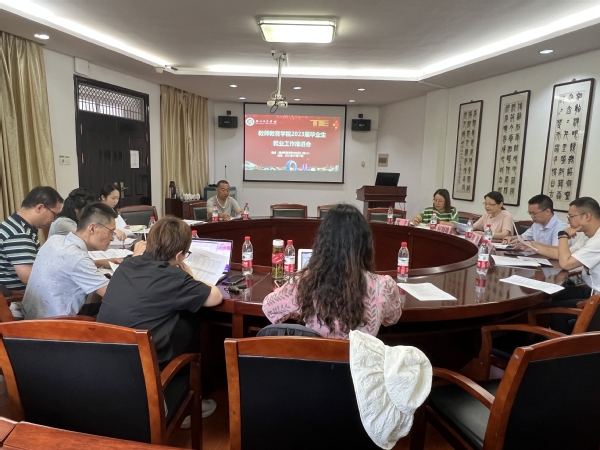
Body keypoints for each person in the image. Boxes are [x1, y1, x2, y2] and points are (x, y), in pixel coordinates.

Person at [97, 216, 222, 419]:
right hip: (145, 367)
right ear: (180, 255)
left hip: (105, 360)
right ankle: (186, 404)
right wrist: (191, 276)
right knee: (191, 321)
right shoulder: (175, 277)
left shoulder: (127, 264)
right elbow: (215, 297)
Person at [262, 203, 402, 338]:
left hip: (317, 355)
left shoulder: (304, 283)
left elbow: (269, 308)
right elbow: (392, 318)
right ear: (365, 245)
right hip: (360, 356)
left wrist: (301, 307)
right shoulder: (384, 286)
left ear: (322, 243)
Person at [22, 203, 142, 319]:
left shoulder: (55, 240)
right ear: (93, 228)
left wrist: (101, 262)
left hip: (30, 318)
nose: (111, 238)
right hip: (51, 326)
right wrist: (135, 261)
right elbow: (116, 296)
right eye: (111, 231)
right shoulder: (78, 258)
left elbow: (67, 265)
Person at [549, 197, 600, 333]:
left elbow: (566, 263)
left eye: (571, 216)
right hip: (591, 290)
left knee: (553, 310)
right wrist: (533, 245)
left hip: (597, 299)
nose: (568, 221)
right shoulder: (589, 236)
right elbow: (564, 254)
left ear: (587, 216)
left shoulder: (598, 240)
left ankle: (568, 344)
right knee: (552, 296)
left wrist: (563, 235)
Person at [0, 186, 63, 295]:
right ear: (40, 208)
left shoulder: (16, 225)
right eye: (54, 214)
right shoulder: (19, 233)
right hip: (18, 299)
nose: (53, 220)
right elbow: (28, 277)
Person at [504, 194, 568, 258]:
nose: (531, 216)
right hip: (535, 259)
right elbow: (524, 237)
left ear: (547, 211)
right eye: (530, 213)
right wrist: (511, 238)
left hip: (551, 262)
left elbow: (558, 251)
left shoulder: (560, 227)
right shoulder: (536, 224)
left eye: (534, 213)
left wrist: (532, 244)